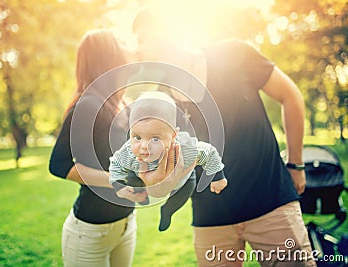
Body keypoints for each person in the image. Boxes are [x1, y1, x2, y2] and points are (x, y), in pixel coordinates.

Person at [132, 6, 316, 267]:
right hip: (211, 221)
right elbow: (167, 168)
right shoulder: (161, 98)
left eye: (142, 40)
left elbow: (291, 96)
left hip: (271, 206)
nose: (137, 51)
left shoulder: (234, 53)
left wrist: (296, 164)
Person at [49, 29, 147, 267]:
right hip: (91, 232)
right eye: (120, 43)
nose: (128, 47)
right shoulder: (89, 106)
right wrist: (115, 179)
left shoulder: (121, 103)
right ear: (108, 56)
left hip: (125, 223)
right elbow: (58, 165)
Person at [109, 91, 228, 231]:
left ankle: (168, 211)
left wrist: (218, 176)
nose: (144, 146)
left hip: (183, 179)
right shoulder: (129, 151)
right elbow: (116, 163)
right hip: (139, 173)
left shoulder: (185, 148)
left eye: (155, 138)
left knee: (185, 191)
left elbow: (208, 152)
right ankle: (141, 196)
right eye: (137, 136)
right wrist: (119, 185)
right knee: (132, 180)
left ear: (173, 135)